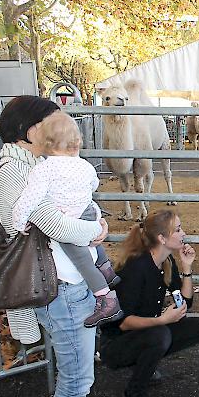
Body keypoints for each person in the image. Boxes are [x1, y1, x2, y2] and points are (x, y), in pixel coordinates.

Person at [0, 95, 108, 397]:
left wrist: (94, 221)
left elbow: (78, 207)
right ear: (31, 132)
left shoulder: (39, 167)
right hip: (61, 288)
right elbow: (56, 225)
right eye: (53, 123)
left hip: (62, 283)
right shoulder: (15, 173)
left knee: (77, 379)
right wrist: (96, 230)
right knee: (77, 381)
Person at [11, 111, 122, 328]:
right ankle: (106, 267)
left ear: (45, 142)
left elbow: (29, 198)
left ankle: (106, 299)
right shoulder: (85, 166)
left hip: (69, 218)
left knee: (81, 260)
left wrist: (19, 220)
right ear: (77, 140)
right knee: (94, 234)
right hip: (87, 211)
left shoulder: (44, 169)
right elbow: (93, 186)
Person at [99, 209, 199, 397]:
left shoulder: (167, 261)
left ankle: (145, 363)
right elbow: (122, 323)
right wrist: (162, 320)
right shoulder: (136, 267)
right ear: (162, 238)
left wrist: (187, 268)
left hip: (144, 333)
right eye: (177, 230)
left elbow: (185, 302)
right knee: (160, 334)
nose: (183, 233)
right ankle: (133, 396)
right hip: (115, 345)